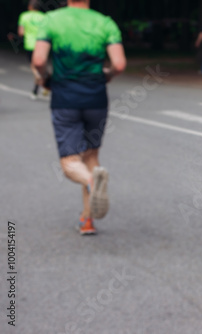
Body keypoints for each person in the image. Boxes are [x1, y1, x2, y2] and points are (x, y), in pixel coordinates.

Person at [32, 0, 126, 235]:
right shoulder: (105, 22)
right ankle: (87, 220)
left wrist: (43, 78)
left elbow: (39, 60)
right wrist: (107, 76)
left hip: (65, 99)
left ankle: (93, 184)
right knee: (91, 155)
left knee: (70, 162)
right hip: (96, 98)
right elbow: (119, 64)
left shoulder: (51, 20)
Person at [8, 0, 46, 99]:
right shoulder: (44, 17)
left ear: (30, 7)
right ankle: (36, 90)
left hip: (30, 44)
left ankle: (39, 80)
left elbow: (21, 32)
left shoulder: (24, 16)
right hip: (42, 44)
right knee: (41, 65)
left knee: (34, 66)